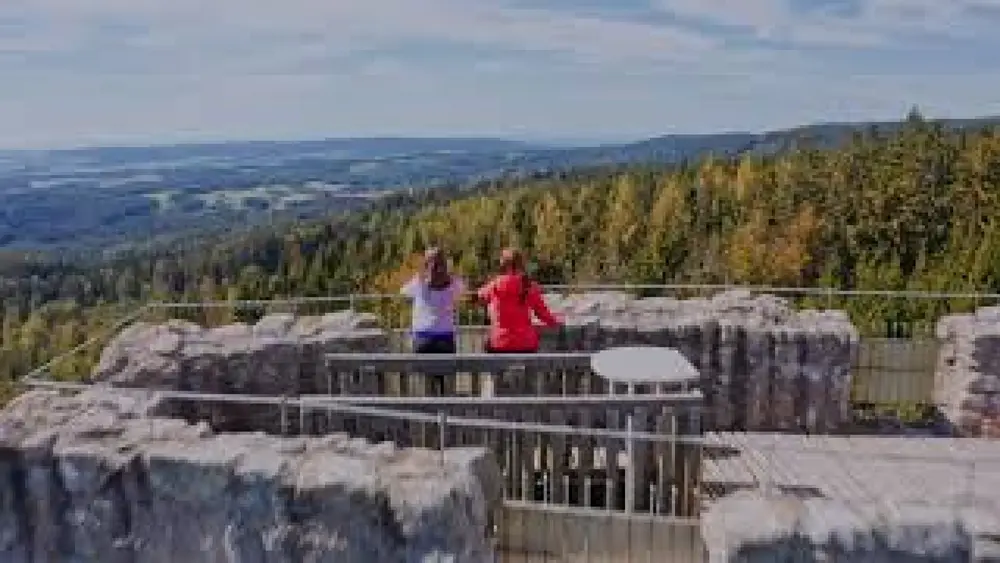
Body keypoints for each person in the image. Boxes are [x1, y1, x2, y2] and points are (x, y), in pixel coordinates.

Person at [476, 248, 561, 353]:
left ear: (503, 264)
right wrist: (556, 323)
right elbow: (542, 313)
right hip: (526, 343)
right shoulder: (529, 286)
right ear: (521, 264)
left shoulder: (494, 285)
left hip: (499, 342)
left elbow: (479, 297)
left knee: (488, 346)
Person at [401, 247, 465, 354]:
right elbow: (461, 289)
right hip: (445, 336)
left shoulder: (419, 282)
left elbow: (403, 292)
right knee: (446, 369)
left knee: (420, 369)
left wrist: (422, 274)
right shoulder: (453, 283)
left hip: (422, 336)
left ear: (427, 264)